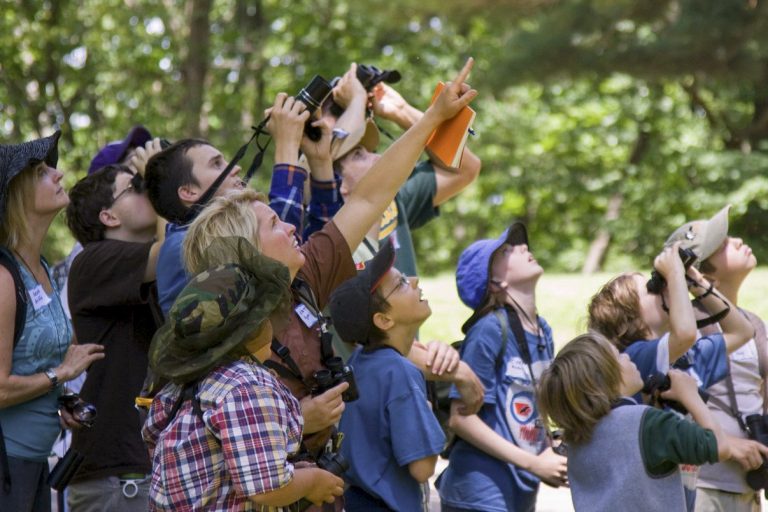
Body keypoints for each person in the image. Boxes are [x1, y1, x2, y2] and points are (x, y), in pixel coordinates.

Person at [179, 59, 479, 467]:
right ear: (247, 252)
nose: (290, 226)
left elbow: (370, 198)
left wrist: (432, 118)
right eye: (274, 224)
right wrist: (298, 421)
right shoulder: (224, 335)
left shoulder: (304, 275)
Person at [142, 236, 344, 510]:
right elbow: (266, 487)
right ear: (255, 328)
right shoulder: (249, 385)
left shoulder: (181, 387)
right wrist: (312, 481)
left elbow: (152, 438)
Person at [587, 242, 758, 510]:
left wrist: (696, 282)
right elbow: (686, 333)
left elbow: (742, 331)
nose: (663, 287)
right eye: (651, 289)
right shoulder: (636, 357)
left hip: (678, 496)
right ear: (631, 320)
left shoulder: (684, 360)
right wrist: (675, 274)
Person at [538, 332, 768, 512]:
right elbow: (720, 447)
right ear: (606, 377)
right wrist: (691, 397)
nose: (627, 356)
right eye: (618, 356)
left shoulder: (577, 439)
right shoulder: (646, 423)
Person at [146, 93, 327, 316]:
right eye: (216, 164)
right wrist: (287, 143)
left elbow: (318, 248)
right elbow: (277, 257)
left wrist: (321, 161)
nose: (235, 168)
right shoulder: (184, 246)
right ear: (188, 192)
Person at [0, 131, 105, 511]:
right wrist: (61, 374)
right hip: (8, 468)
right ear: (17, 194)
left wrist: (60, 401)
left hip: (35, 465)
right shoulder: (3, 277)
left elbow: (31, 364)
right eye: (43, 172)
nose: (58, 175)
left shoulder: (41, 267)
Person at [437, 221, 566, 512]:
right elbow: (461, 419)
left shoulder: (542, 331)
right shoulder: (489, 330)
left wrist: (549, 450)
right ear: (494, 283)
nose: (524, 247)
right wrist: (534, 463)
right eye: (508, 250)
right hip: (479, 492)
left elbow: (534, 402)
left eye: (521, 245)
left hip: (521, 488)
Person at [64, 163, 165, 511]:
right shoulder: (94, 261)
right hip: (118, 481)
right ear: (108, 216)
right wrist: (167, 184)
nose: (147, 190)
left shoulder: (144, 263)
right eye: (136, 186)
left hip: (143, 471)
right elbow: (171, 255)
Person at [327, 240, 446, 511]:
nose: (414, 280)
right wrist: (426, 412)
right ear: (383, 320)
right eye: (402, 283)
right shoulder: (400, 373)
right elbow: (422, 468)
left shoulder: (361, 361)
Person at [665, 205, 767, 512]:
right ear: (702, 274)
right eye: (723, 243)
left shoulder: (755, 323)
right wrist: (726, 442)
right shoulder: (686, 327)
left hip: (747, 485)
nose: (736, 240)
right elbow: (670, 401)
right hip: (703, 484)